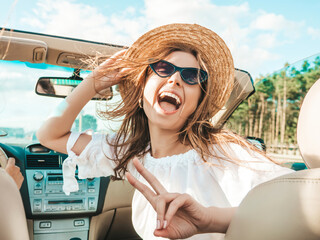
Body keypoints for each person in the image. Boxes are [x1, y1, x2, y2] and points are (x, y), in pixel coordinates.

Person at [37, 23, 293, 239]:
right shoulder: (129, 152)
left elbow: (294, 199)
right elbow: (50, 135)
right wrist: (93, 83)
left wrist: (208, 220)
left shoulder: (222, 152)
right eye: (163, 68)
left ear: (196, 104)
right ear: (141, 93)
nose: (175, 79)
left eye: (192, 76)